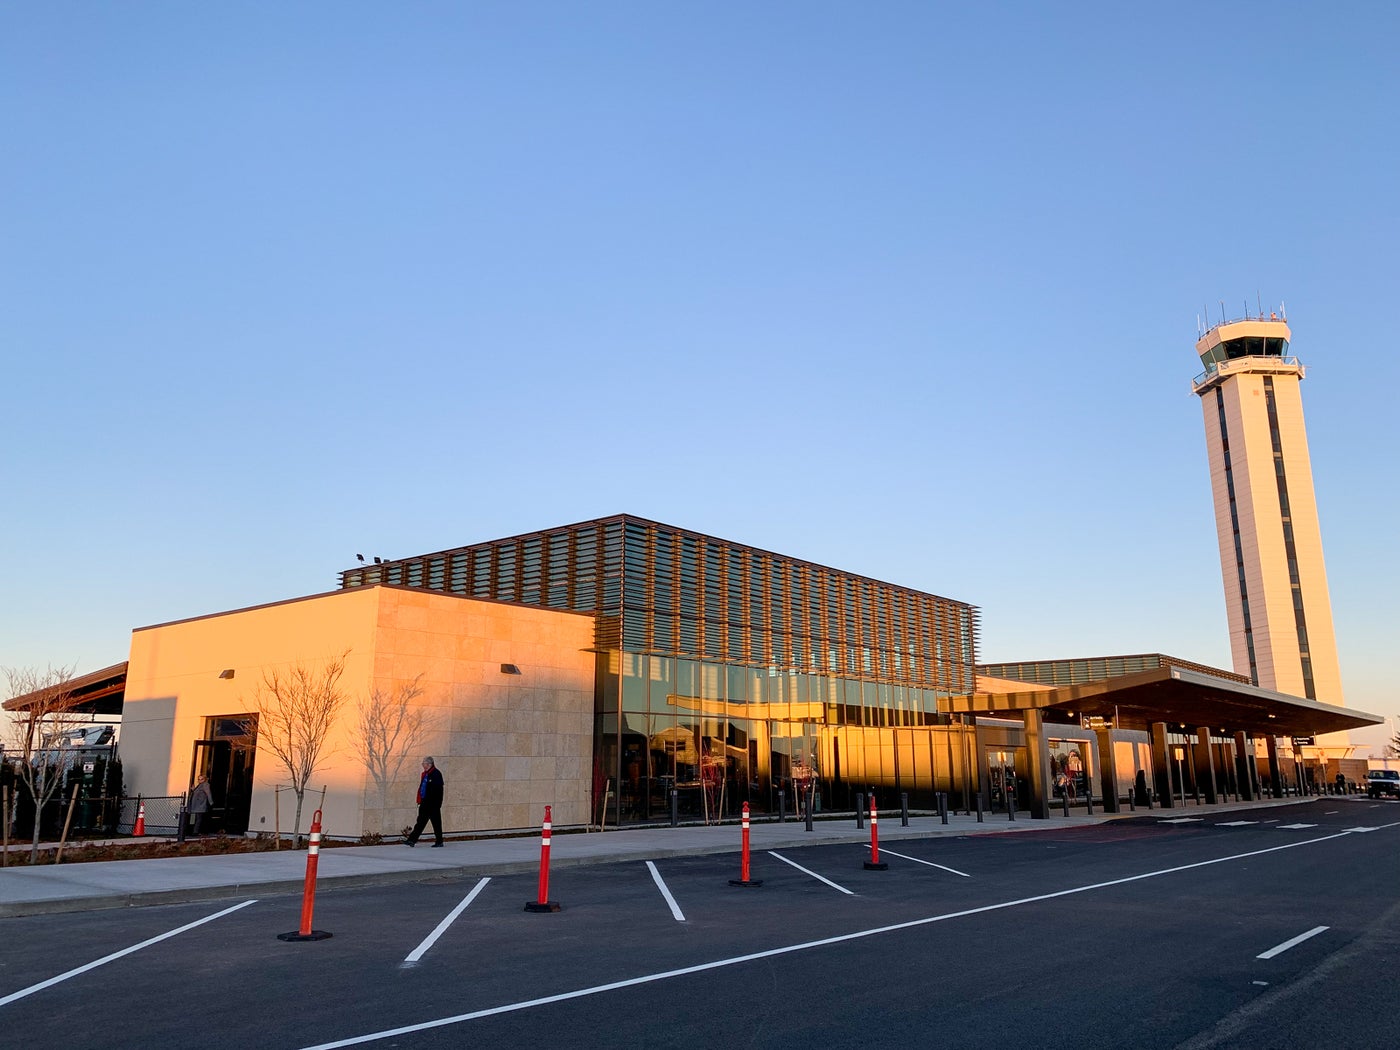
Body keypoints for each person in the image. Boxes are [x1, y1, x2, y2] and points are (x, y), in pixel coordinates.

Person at [406, 756, 444, 847]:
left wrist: (437, 804)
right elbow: (422, 788)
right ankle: (411, 840)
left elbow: (439, 791)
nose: (424, 766)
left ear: (430, 764)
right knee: (420, 822)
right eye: (423, 764)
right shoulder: (425, 774)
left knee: (436, 823)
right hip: (424, 803)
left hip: (433, 804)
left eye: (425, 764)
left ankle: (439, 841)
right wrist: (420, 800)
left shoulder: (436, 774)